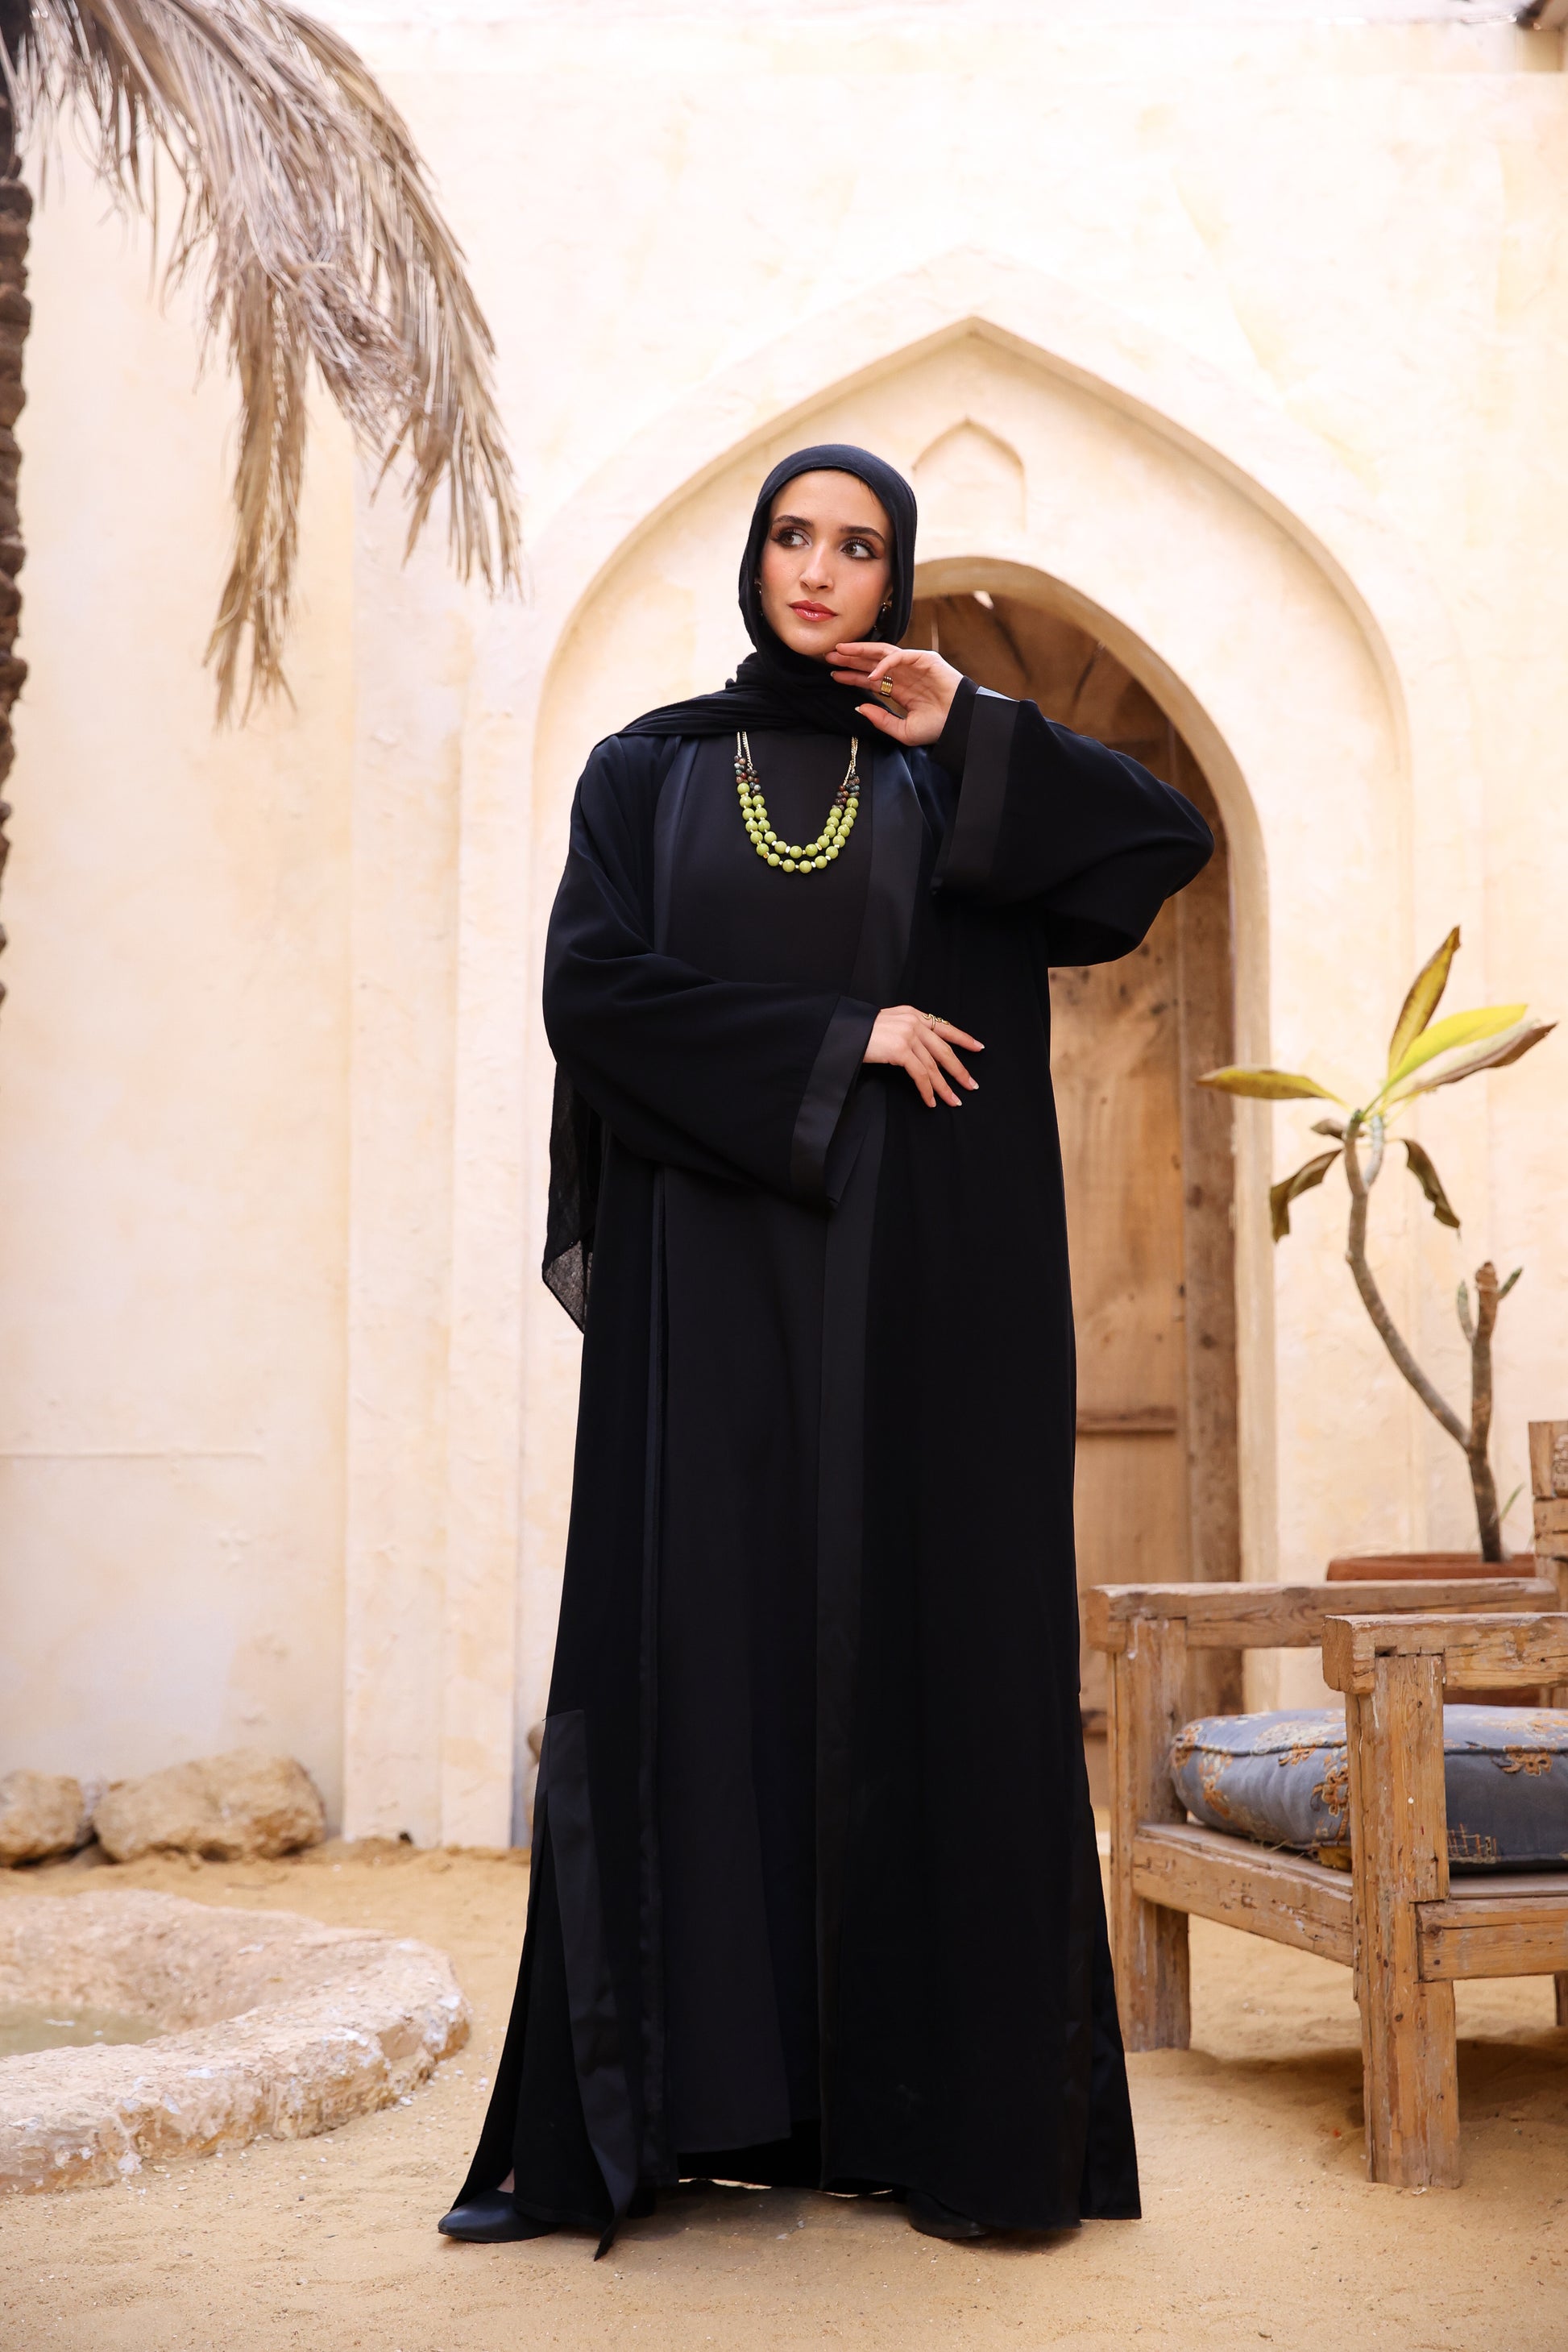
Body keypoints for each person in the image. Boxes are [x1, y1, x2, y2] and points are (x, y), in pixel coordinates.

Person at [439, 444, 1213, 2255]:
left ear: (895, 577)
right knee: (698, 1647)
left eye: (858, 547)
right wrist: (837, 1037)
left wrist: (978, 719)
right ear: (756, 556)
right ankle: (636, 2119)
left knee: (916, 1650)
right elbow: (589, 994)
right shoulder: (647, 769)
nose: (818, 569)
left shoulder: (941, 770)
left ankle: (924, 2118)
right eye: (793, 536)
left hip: (914, 1295)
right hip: (705, 1295)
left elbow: (1155, 844)